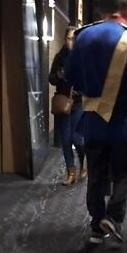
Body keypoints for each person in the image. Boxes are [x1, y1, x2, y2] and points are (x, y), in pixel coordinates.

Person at [66, 0, 127, 245]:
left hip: (91, 120)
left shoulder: (83, 34)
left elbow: (70, 75)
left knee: (96, 173)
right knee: (124, 171)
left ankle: (96, 226)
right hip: (121, 122)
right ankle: (114, 216)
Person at [48, 26, 86, 185]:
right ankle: (71, 172)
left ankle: (83, 165)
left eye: (74, 39)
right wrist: (58, 75)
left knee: (78, 140)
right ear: (65, 39)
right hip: (63, 101)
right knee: (65, 140)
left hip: (77, 103)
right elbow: (51, 79)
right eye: (69, 38)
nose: (72, 42)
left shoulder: (83, 57)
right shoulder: (60, 57)